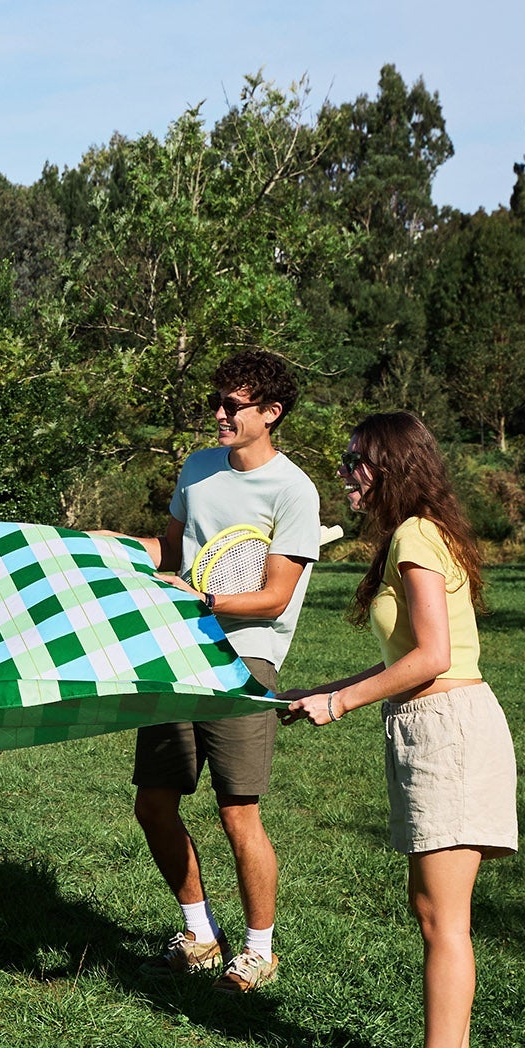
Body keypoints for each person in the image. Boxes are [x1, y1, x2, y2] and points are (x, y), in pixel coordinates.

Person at [284, 414, 516, 1048]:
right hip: (437, 728)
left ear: (394, 467)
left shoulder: (415, 535)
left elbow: (434, 657)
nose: (346, 472)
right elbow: (405, 656)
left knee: (444, 921)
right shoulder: (416, 533)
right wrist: (325, 692)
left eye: (358, 460)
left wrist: (341, 703)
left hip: (448, 733)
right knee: (435, 912)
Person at [114, 350, 320, 993]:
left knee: (238, 813)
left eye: (234, 405)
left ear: (271, 413)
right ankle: (200, 933)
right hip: (179, 651)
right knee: (153, 803)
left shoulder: (294, 490)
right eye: (217, 402)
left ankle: (259, 950)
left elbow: (275, 597)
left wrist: (203, 599)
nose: (220, 414)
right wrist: (104, 547)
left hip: (245, 657)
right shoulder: (198, 468)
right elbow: (170, 549)